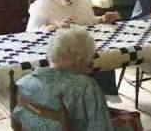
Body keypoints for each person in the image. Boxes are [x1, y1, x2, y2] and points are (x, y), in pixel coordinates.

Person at [12, 28, 143, 131]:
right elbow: (101, 128)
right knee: (132, 120)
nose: (90, 62)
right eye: (89, 59)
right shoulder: (86, 86)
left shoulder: (22, 82)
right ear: (79, 59)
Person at [25, 0, 120, 95]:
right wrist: (56, 27)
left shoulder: (81, 0)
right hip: (58, 59)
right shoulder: (44, 5)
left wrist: (102, 19)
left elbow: (87, 22)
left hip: (82, 52)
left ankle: (98, 102)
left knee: (104, 59)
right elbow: (30, 33)